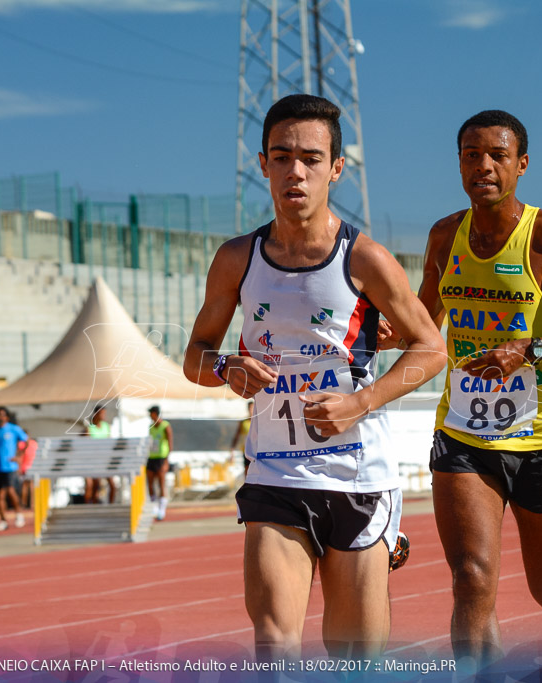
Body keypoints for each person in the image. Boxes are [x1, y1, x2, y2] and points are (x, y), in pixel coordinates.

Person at [183, 94, 445, 660]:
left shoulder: (365, 259)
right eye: (281, 157)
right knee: (274, 643)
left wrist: (361, 402)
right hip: (275, 473)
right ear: (262, 164)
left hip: (356, 477)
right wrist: (228, 367)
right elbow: (195, 358)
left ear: (336, 168)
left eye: (310, 158)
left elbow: (431, 348)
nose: (294, 171)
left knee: (356, 658)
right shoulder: (236, 259)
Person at [407, 109, 542, 665]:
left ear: (522, 165)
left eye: (496, 155)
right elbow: (419, 324)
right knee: (471, 578)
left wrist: (530, 349)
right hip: (463, 430)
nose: (482, 166)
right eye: (470, 155)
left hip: (541, 434)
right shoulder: (443, 235)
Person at [85, 404, 116, 504]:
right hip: (94, 461)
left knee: (112, 485)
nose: (103, 416)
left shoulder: (106, 427)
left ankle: (111, 507)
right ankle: (93, 507)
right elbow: (86, 443)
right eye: (101, 413)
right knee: (94, 485)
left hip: (105, 459)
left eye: (104, 413)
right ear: (96, 414)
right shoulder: (89, 428)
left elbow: (110, 442)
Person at [147, 406, 173, 520]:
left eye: (151, 414)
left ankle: (162, 509)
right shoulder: (150, 427)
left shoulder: (165, 426)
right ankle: (154, 506)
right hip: (151, 457)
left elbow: (170, 442)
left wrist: (167, 460)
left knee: (161, 483)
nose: (150, 416)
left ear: (155, 414)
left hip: (162, 457)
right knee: (150, 483)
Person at [231, 401, 254, 474]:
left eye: (253, 408)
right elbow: (236, 437)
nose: (251, 410)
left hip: (257, 451)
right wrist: (232, 451)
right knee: (247, 471)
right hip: (246, 451)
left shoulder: (259, 422)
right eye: (250, 408)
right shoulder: (243, 422)